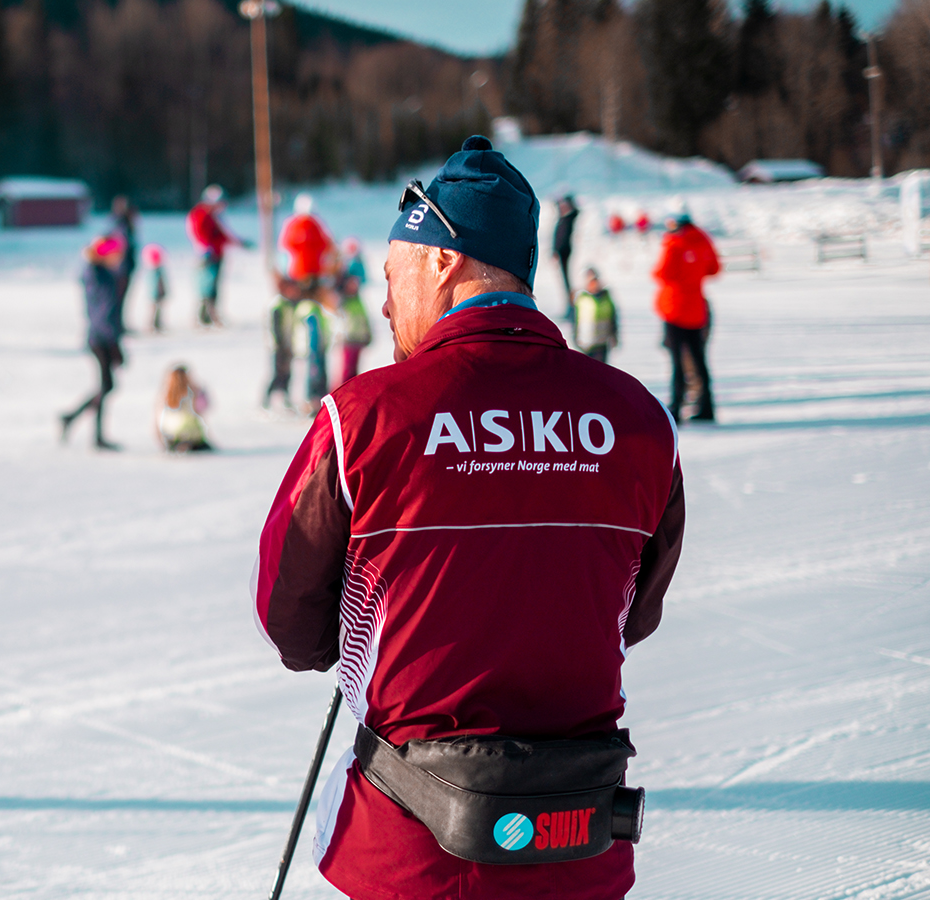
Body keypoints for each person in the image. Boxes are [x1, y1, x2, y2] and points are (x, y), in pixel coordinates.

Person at [252, 136, 683, 900]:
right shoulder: (639, 419)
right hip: (577, 845)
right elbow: (633, 614)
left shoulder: (367, 417)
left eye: (393, 277)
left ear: (443, 261)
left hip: (411, 850)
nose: (384, 303)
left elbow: (290, 614)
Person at [60, 235, 127, 451]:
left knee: (106, 385)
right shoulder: (98, 275)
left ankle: (77, 422)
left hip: (102, 336)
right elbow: (103, 312)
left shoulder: (102, 273)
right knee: (106, 385)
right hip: (101, 338)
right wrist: (113, 342)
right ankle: (85, 428)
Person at [653, 211, 719, 423]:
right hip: (696, 310)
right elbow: (714, 269)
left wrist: (669, 244)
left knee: (677, 362)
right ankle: (707, 406)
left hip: (675, 310)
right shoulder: (702, 240)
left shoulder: (675, 243)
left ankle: (676, 407)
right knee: (699, 360)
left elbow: (661, 273)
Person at [186, 185, 249, 326]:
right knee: (205, 286)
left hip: (216, 255)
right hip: (207, 256)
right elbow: (196, 233)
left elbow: (223, 235)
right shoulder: (200, 214)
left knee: (213, 286)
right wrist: (204, 248)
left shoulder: (215, 216)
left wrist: (240, 243)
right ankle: (203, 316)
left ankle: (210, 315)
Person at [335, 237, 373, 387]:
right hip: (348, 339)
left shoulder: (357, 301)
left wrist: (368, 335)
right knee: (346, 371)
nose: (354, 284)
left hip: (357, 339)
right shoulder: (343, 302)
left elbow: (363, 318)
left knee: (354, 371)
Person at [279, 193, 335, 290]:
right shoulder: (316, 224)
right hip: (312, 271)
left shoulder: (293, 224)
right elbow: (327, 244)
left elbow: (284, 245)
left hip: (298, 272)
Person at [263, 277, 301, 411]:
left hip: (288, 344)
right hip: (278, 346)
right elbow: (276, 328)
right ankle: (266, 399)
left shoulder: (290, 304)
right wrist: (281, 345)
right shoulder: (278, 305)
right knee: (277, 373)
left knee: (287, 373)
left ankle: (285, 398)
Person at [155, 364, 211, 453]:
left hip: (171, 437)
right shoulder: (191, 393)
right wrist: (200, 391)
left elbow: (156, 422)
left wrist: (161, 441)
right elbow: (204, 407)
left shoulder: (164, 395)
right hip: (192, 437)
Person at [574, 267, 620, 363]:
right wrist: (575, 337)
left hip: (602, 343)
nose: (593, 285)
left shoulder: (606, 298)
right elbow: (575, 320)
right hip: (586, 343)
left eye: (595, 281)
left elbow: (613, 318)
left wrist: (615, 336)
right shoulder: (582, 299)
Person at [111, 195, 138, 331]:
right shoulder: (122, 226)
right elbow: (122, 247)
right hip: (121, 269)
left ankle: (118, 324)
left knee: (120, 298)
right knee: (118, 298)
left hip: (124, 267)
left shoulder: (121, 225)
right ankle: (116, 325)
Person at [553, 194, 580, 317]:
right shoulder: (562, 219)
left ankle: (573, 307)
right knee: (564, 283)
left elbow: (576, 211)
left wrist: (569, 202)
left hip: (567, 254)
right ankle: (569, 306)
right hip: (561, 254)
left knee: (569, 282)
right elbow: (557, 237)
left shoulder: (570, 217)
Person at [143, 244, 168, 332]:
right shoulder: (153, 272)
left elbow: (161, 283)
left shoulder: (157, 271)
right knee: (153, 311)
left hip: (157, 294)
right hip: (154, 295)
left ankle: (156, 324)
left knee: (157, 311)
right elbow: (154, 284)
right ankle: (152, 325)